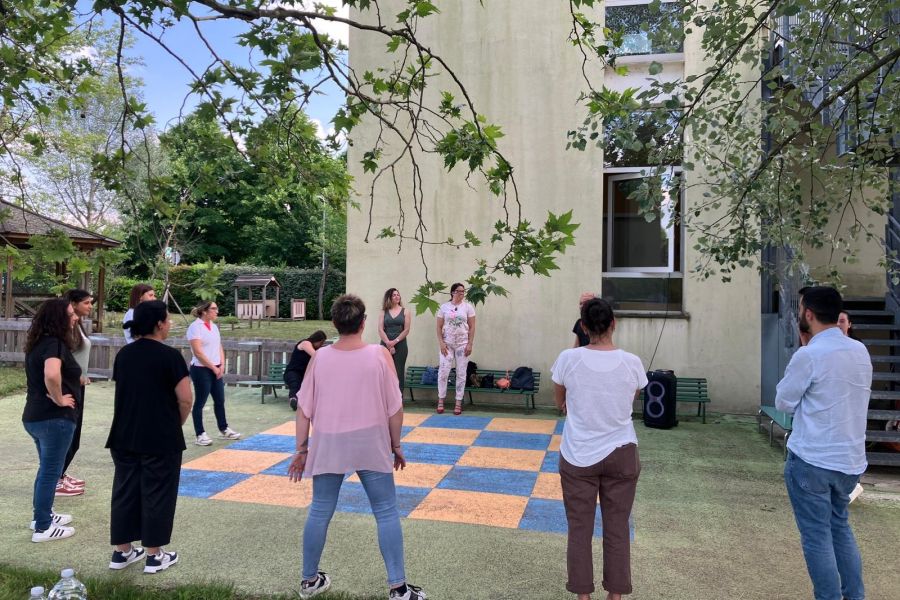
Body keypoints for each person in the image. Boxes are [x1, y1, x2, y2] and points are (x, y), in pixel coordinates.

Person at [288, 294, 426, 600]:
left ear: (335, 323)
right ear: (364, 323)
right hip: (371, 441)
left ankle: (309, 581)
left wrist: (301, 450)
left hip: (329, 442)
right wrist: (396, 444)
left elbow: (303, 408)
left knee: (320, 510)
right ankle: (398, 588)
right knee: (386, 512)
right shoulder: (379, 356)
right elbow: (395, 407)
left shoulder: (320, 357)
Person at [776, 286, 872, 600]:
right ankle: (854, 596)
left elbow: (784, 402)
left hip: (812, 460)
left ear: (808, 314)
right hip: (850, 462)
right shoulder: (860, 351)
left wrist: (803, 350)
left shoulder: (809, 355)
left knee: (817, 537)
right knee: (840, 528)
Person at [552, 297, 645, 600]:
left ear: (584, 326)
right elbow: (628, 399)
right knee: (617, 528)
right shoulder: (632, 362)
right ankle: (615, 596)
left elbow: (560, 401)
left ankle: (583, 596)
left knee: (579, 529)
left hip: (578, 454)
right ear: (613, 323)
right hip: (622, 452)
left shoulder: (568, 358)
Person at [108, 300, 192, 573]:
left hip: (124, 434)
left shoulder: (124, 355)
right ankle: (154, 556)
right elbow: (185, 400)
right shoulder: (171, 356)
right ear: (158, 324)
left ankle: (122, 552)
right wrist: (173, 424)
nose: (170, 325)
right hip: (160, 437)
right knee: (158, 493)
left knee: (124, 491)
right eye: (167, 320)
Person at [23, 298, 81, 542]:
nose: (75, 317)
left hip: (34, 417)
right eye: (71, 314)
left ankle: (41, 516)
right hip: (53, 419)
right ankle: (43, 528)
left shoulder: (37, 343)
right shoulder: (54, 345)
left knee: (46, 469)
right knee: (50, 472)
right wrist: (59, 399)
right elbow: (51, 374)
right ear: (59, 319)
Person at [55, 289, 93, 497]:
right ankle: (56, 478)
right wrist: (74, 376)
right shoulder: (64, 328)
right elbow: (59, 359)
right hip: (67, 387)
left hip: (78, 385)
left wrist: (82, 375)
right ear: (73, 303)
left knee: (74, 435)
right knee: (67, 434)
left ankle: (61, 474)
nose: (90, 306)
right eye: (86, 303)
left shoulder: (77, 325)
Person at [187, 300, 240, 446]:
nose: (217, 311)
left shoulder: (214, 327)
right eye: (214, 309)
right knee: (200, 402)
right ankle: (200, 434)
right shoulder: (194, 327)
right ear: (204, 311)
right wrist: (213, 367)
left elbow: (219, 346)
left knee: (220, 400)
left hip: (216, 368)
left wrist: (221, 364)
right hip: (200, 369)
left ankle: (224, 429)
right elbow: (198, 352)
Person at [435, 282, 476, 415]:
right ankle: (441, 400)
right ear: (452, 292)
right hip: (447, 344)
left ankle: (458, 402)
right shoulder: (444, 307)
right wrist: (441, 343)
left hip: (462, 344)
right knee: (443, 371)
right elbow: (439, 327)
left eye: (463, 291)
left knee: (461, 373)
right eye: (459, 291)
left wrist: (470, 343)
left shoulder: (468, 307)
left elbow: (472, 326)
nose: (462, 293)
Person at [285, 330, 328, 411]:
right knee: (295, 382)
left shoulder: (316, 348)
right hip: (293, 372)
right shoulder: (305, 343)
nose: (321, 345)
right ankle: (293, 399)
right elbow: (315, 356)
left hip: (304, 374)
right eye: (321, 343)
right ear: (317, 340)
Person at [378, 288, 411, 392]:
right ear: (389, 298)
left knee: (398, 371)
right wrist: (388, 343)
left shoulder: (406, 311)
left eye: (398, 295)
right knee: (385, 371)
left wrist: (394, 342)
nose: (397, 297)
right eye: (394, 295)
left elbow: (406, 330)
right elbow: (380, 329)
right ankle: (385, 397)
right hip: (385, 343)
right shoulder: (383, 312)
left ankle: (399, 399)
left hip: (400, 344)